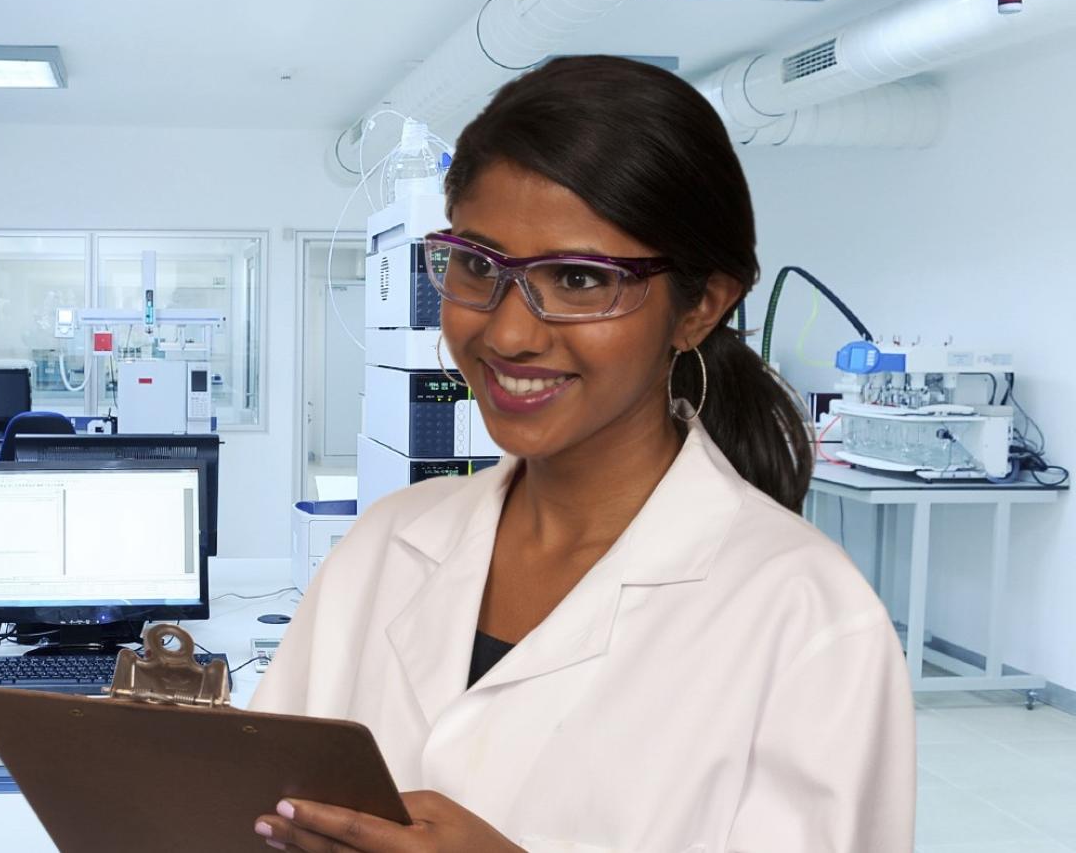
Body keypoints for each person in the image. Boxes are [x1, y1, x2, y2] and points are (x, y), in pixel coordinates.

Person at [251, 55, 915, 852]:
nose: (508, 334)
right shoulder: (385, 543)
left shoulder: (806, 615)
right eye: (477, 264)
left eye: (577, 279)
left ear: (701, 306)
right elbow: (261, 807)